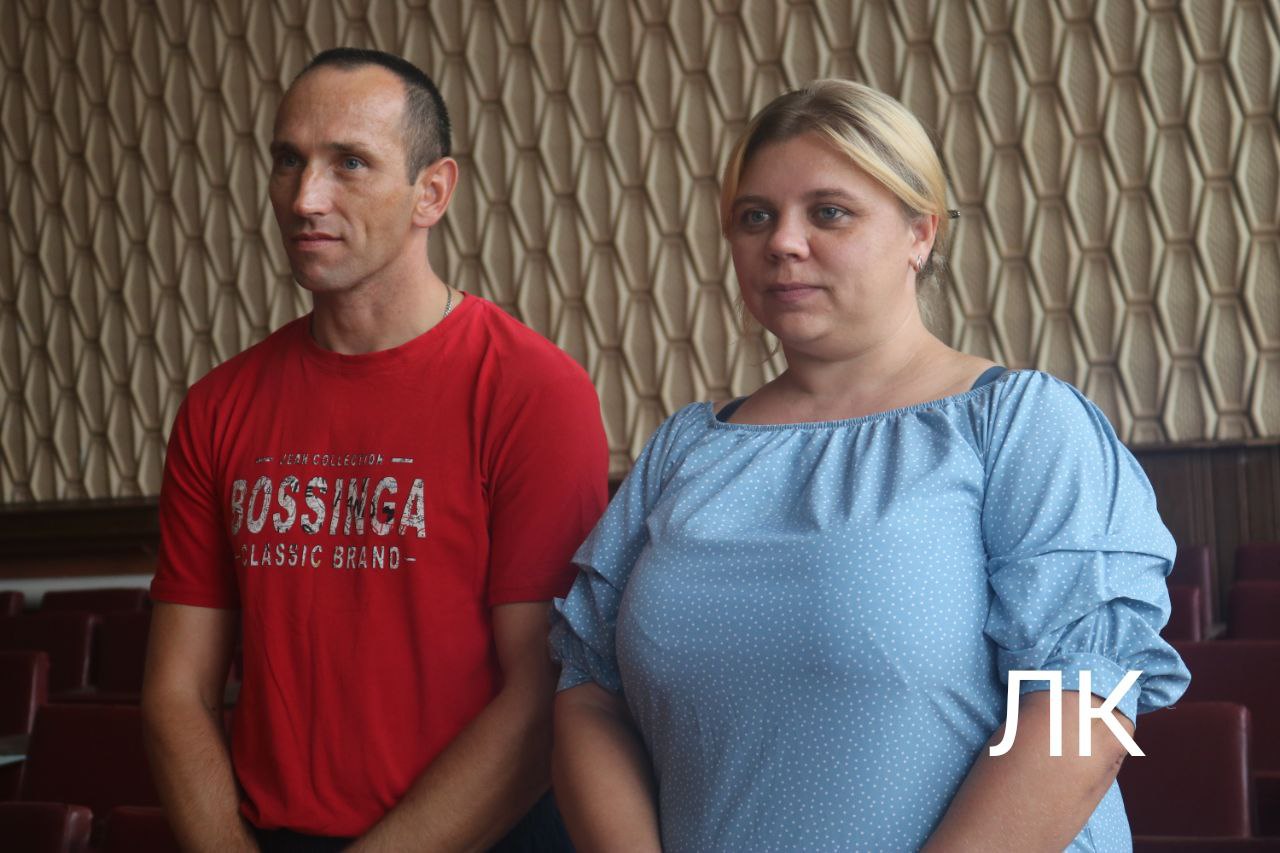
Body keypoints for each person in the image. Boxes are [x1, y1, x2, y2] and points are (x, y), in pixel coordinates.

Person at [548, 79, 1190, 852]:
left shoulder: (1021, 422)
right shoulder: (685, 449)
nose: (783, 242)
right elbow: (589, 692)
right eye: (755, 217)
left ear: (921, 232)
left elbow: (1086, 709)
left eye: (829, 212)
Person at [142, 48, 608, 852]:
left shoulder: (532, 389)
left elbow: (543, 698)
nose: (305, 198)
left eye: (350, 163)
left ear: (433, 192)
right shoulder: (219, 406)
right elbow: (176, 691)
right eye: (288, 161)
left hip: (483, 833)